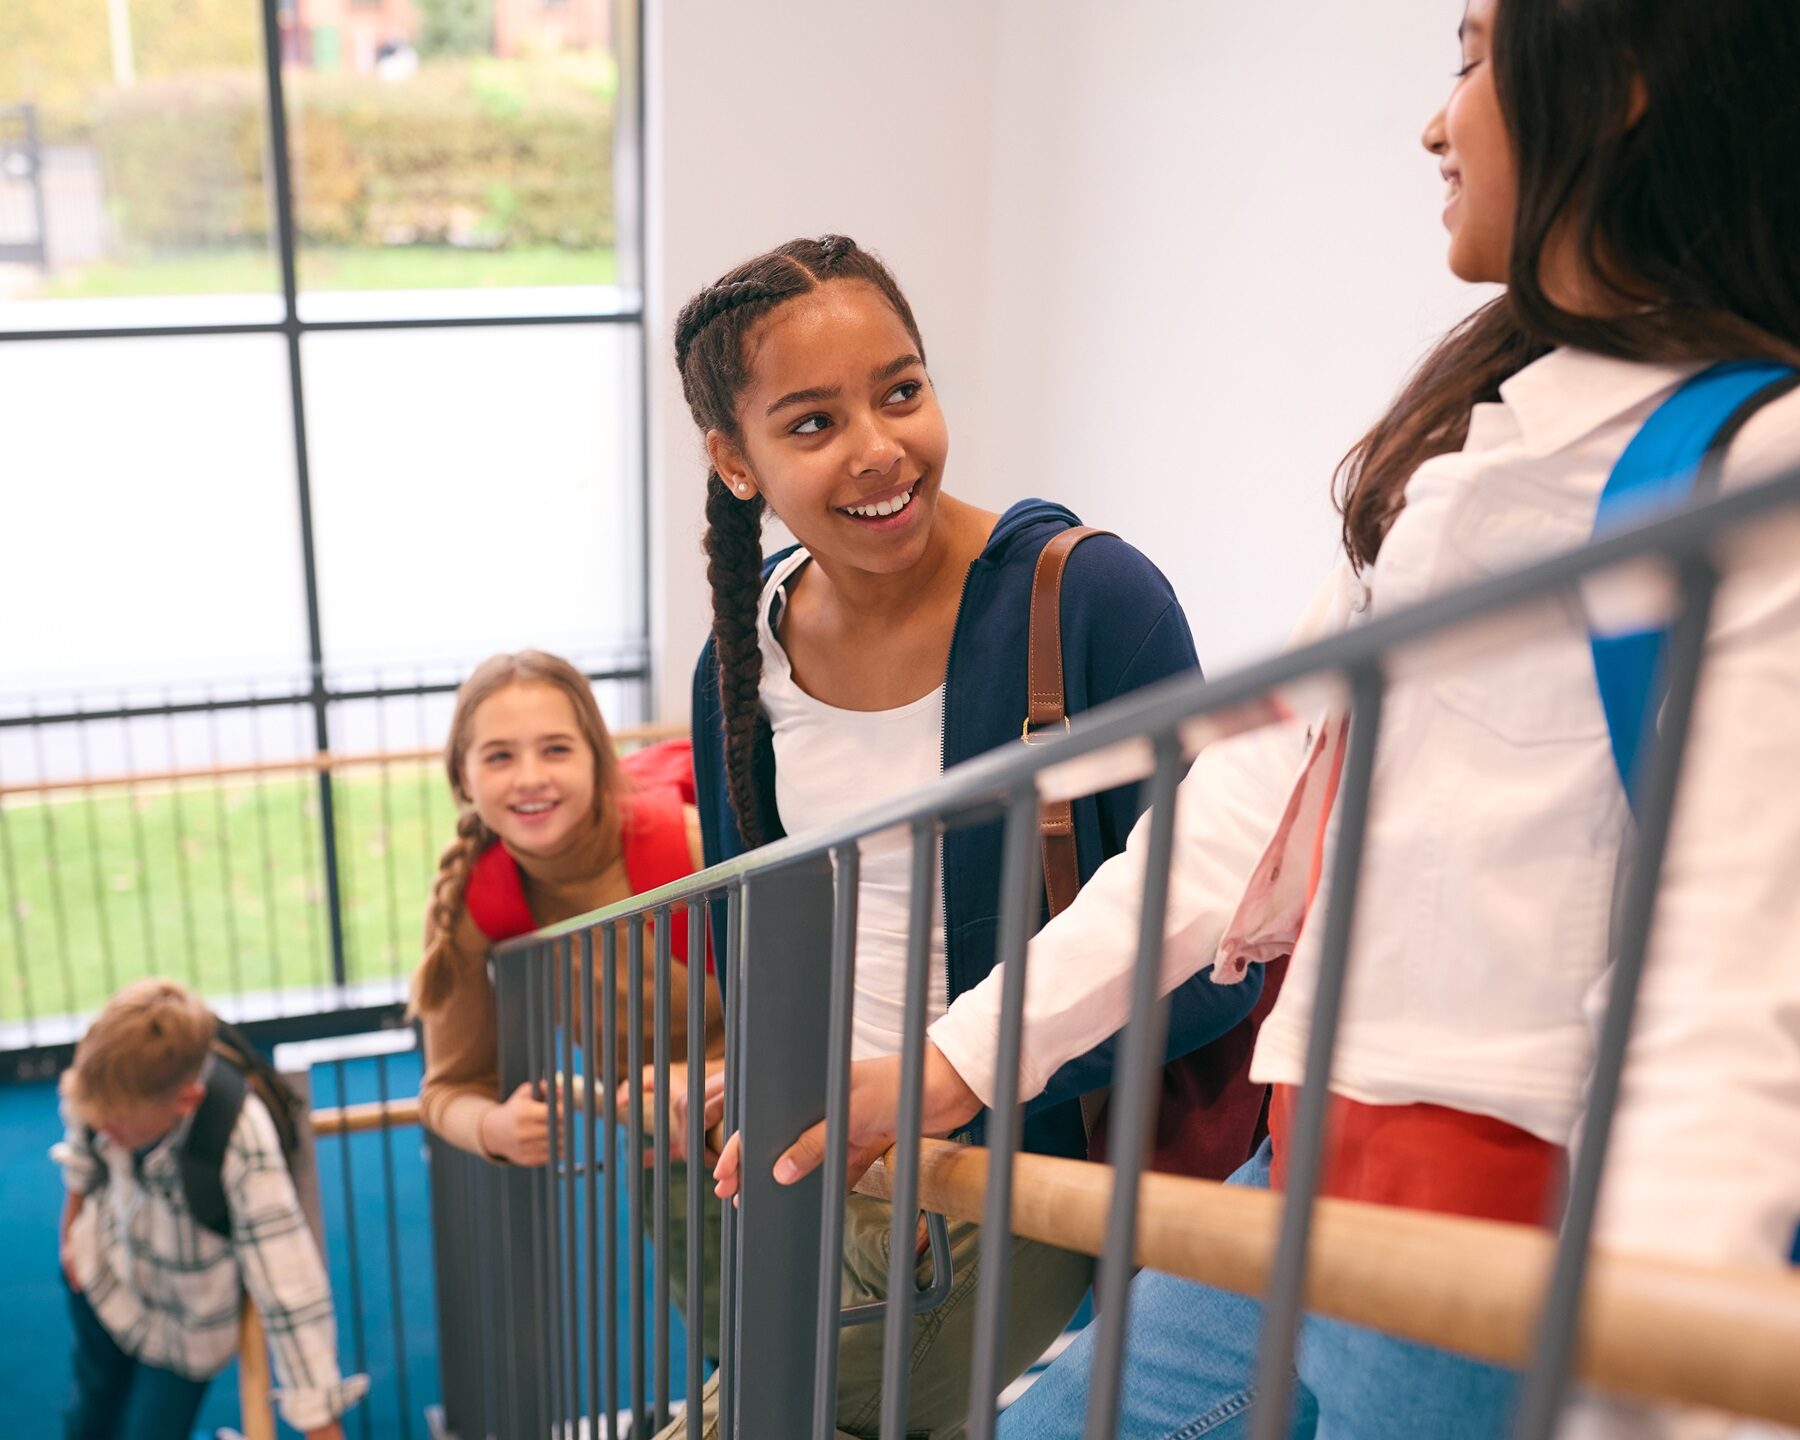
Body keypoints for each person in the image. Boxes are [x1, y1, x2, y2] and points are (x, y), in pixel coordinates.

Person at [767, 3, 1800, 1437]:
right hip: (1311, 1152)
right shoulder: (1473, 435)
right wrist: (956, 1061)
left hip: (1502, 1216)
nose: (1437, 122)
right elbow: (1247, 796)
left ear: (1619, 84)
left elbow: (1736, 994)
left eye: (1473, 56)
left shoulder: (1752, 466)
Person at [666, 234, 1269, 1440]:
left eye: (902, 390)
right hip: (830, 1176)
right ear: (735, 462)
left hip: (1020, 1179)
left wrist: (960, 1076)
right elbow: (754, 943)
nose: (881, 448)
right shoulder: (740, 663)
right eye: (812, 423)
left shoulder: (1090, 602)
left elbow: (1219, 947)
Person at [410, 649, 726, 1345]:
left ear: (597, 758)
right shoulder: (476, 899)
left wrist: (709, 1080)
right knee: (727, 1352)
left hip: (794, 1125)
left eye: (555, 748)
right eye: (497, 756)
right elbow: (446, 1088)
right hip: (667, 1157)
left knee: (847, 1354)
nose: (529, 778)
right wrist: (492, 1130)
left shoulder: (697, 849)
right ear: (462, 777)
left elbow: (837, 1003)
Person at [54, 978, 367, 1440]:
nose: (102, 1132)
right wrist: (70, 1232)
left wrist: (320, 1421)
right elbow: (83, 1153)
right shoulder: (103, 1082)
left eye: (116, 1126)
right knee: (88, 1420)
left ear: (186, 1101)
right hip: (107, 1283)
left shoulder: (240, 1139)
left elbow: (289, 1283)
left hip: (184, 1330)